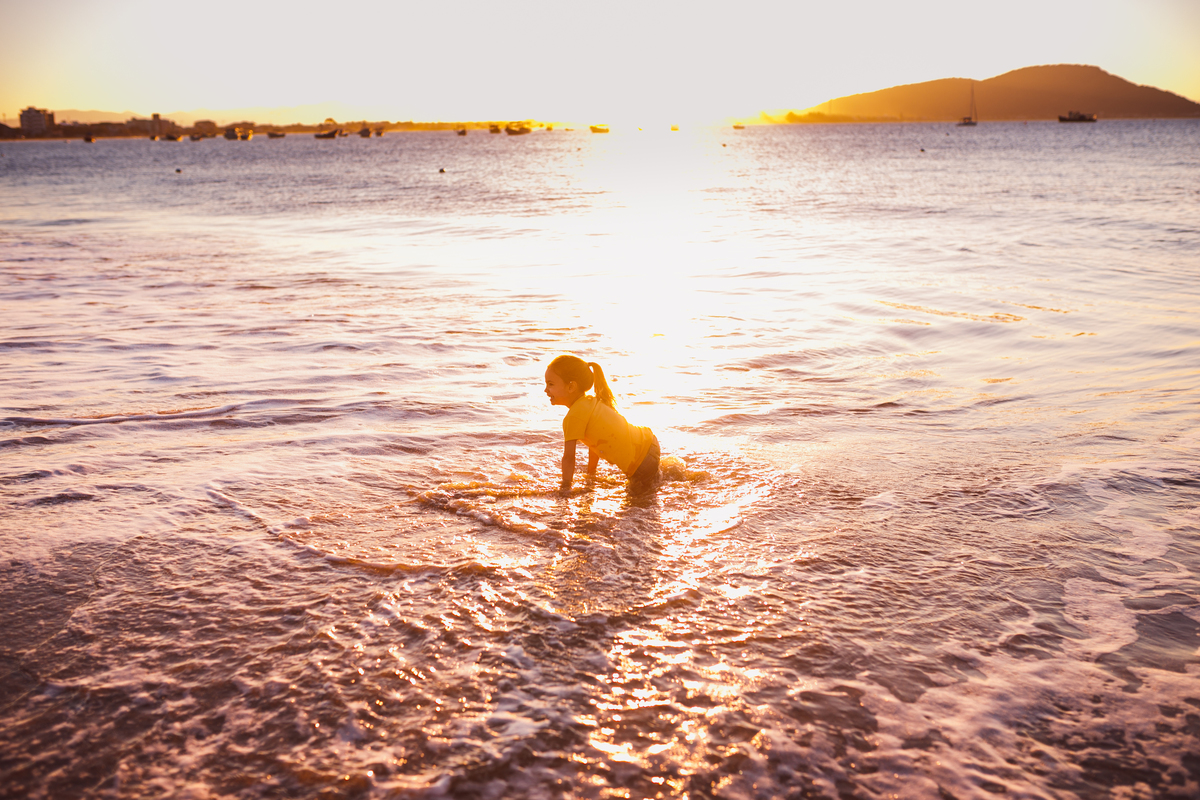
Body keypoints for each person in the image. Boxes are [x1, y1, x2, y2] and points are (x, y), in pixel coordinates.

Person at [543, 355, 660, 495]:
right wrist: (591, 474)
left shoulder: (573, 417)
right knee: (652, 485)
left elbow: (568, 458)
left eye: (551, 384)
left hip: (640, 463)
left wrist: (565, 488)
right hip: (649, 442)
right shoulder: (590, 401)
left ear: (571, 386)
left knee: (635, 504)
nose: (546, 390)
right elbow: (595, 444)